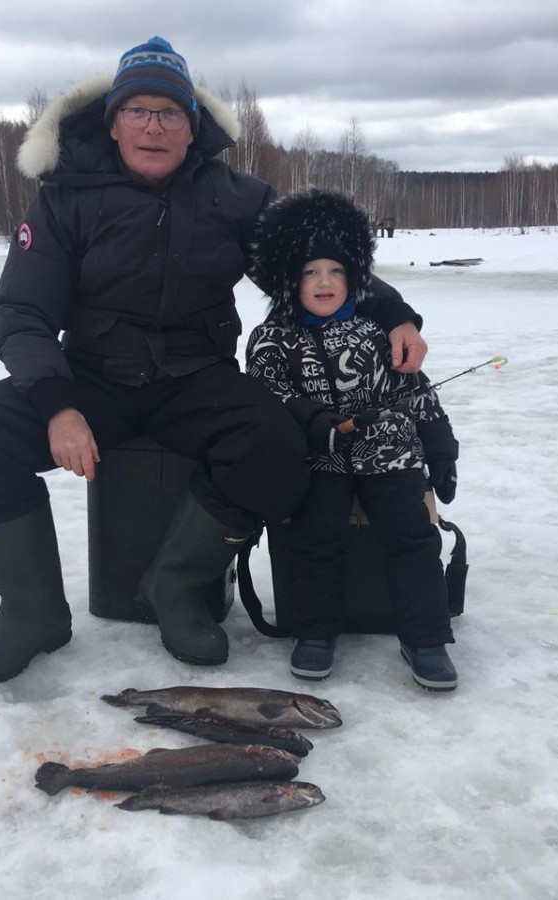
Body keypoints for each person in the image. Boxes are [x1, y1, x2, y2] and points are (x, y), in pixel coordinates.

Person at [0, 37, 428, 686]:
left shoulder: (235, 196)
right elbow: (21, 312)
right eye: (137, 111)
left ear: (192, 129)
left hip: (196, 376)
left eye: (170, 113)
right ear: (113, 123)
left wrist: (393, 313)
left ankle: (175, 586)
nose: (154, 126)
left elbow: (312, 264)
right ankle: (32, 614)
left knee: (277, 445)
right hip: (93, 376)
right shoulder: (64, 198)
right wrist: (57, 406)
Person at [245, 189, 461, 690]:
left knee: (413, 539)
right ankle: (315, 632)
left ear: (355, 276)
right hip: (321, 461)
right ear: (288, 280)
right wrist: (313, 421)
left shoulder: (378, 331)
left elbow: (417, 391)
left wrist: (441, 447)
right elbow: (266, 393)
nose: (324, 282)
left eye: (336, 271)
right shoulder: (274, 338)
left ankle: (426, 638)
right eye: (310, 272)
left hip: (391, 457)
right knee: (315, 540)